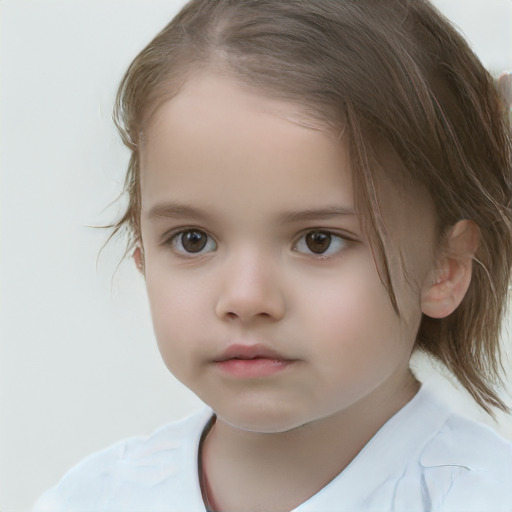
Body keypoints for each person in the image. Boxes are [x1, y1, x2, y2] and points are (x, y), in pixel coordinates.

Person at [33, 0, 512, 510]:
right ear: (142, 256)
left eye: (318, 241)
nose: (245, 298)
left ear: (446, 267)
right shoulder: (94, 497)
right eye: (193, 239)